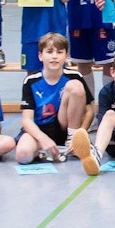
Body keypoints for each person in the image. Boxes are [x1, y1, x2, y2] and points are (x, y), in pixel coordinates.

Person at [16, 33, 96, 169]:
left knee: (75, 86)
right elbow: (27, 120)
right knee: (23, 155)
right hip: (40, 130)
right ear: (40, 56)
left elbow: (89, 111)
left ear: (66, 56)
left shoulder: (74, 76)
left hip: (65, 127)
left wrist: (80, 135)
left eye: (59, 52)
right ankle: (43, 150)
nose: (54, 56)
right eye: (49, 52)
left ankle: (72, 141)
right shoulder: (31, 81)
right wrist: (43, 139)